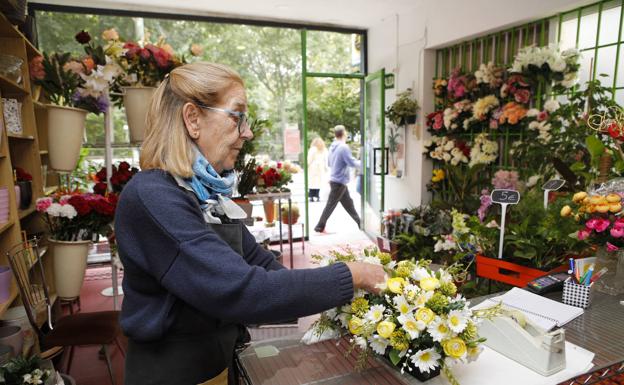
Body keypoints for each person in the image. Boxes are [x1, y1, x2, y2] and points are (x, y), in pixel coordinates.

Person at [115, 62, 386, 385]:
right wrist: (352, 275)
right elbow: (241, 291)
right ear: (192, 119)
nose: (248, 132)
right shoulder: (153, 197)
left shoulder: (207, 196)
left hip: (219, 363)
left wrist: (341, 297)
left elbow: (265, 270)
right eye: (237, 115)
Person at [314, 125, 362, 233]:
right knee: (331, 204)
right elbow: (351, 162)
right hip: (339, 181)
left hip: (337, 180)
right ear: (344, 133)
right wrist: (366, 163)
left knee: (349, 204)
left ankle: (360, 223)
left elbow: (330, 163)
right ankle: (319, 226)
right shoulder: (343, 147)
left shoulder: (332, 147)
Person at [307, 137, 328, 202]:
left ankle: (311, 196)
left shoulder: (312, 149)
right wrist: (326, 167)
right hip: (320, 167)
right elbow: (326, 159)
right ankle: (317, 195)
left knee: (312, 182)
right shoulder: (324, 149)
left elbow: (309, 159)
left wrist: (308, 165)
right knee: (318, 182)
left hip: (313, 167)